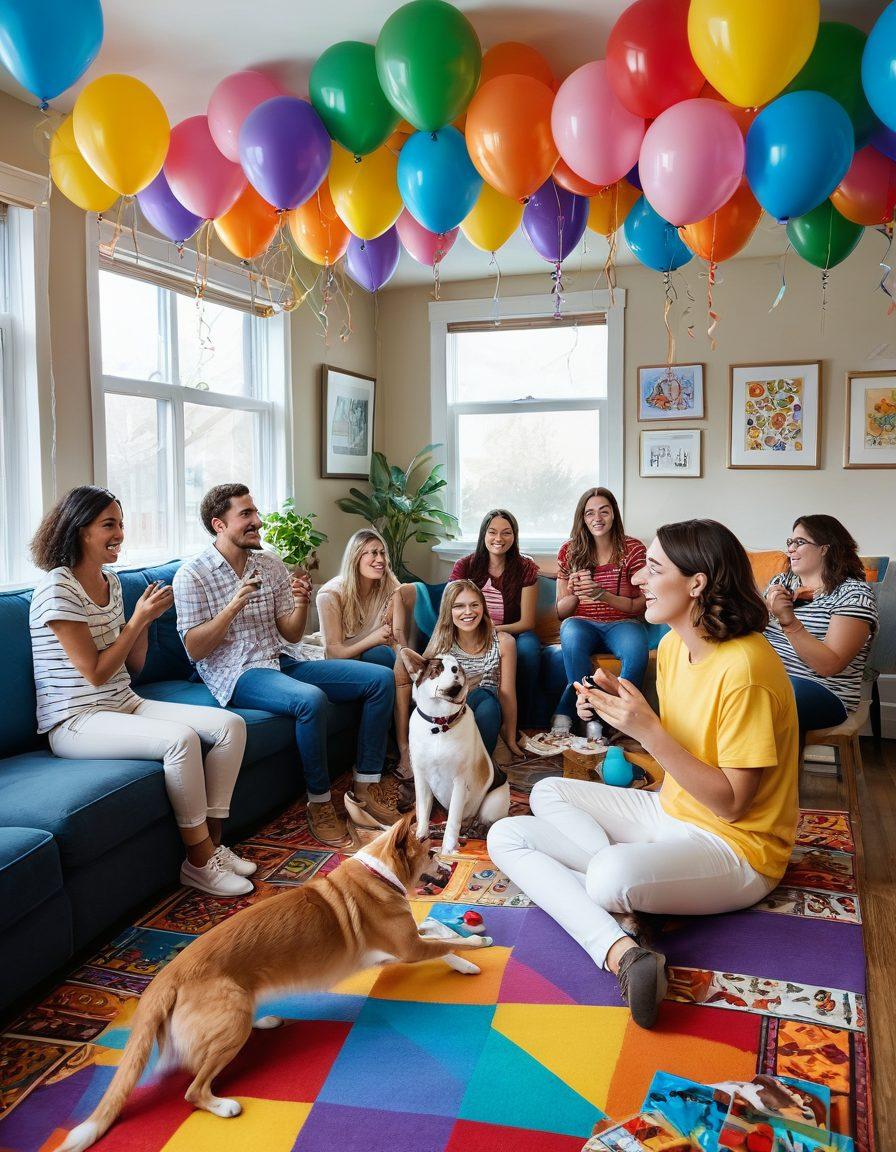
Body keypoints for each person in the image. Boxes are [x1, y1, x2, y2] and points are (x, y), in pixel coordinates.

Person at [488, 520, 799, 1029]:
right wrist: (615, 708)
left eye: (652, 569)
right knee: (520, 819)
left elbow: (732, 804)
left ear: (696, 583)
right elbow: (683, 742)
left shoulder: (746, 671)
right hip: (671, 810)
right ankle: (628, 911)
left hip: (739, 846)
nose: (636, 580)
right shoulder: (676, 645)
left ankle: (618, 945)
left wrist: (647, 730)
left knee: (608, 875)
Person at [29, 486, 253, 898]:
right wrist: (138, 619)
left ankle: (213, 845)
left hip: (123, 702)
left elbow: (133, 667)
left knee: (230, 726)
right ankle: (198, 863)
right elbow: (96, 673)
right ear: (80, 530)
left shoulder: (110, 582)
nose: (120, 534)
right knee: (181, 741)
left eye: (121, 523)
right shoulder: (57, 589)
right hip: (75, 720)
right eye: (108, 525)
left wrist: (145, 622)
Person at [172, 484, 398, 849]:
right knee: (310, 700)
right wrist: (233, 606)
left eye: (255, 512)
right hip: (238, 671)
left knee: (381, 679)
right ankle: (319, 803)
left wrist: (300, 602)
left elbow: (290, 634)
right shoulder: (192, 575)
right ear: (219, 524)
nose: (257, 521)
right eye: (246, 514)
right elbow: (195, 650)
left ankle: (365, 786)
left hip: (284, 658)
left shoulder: (269, 563)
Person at [764, 516, 879, 737]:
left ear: (825, 548)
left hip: (824, 691)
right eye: (790, 542)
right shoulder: (780, 583)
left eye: (799, 542)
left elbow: (829, 665)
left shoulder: (853, 594)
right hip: (770, 678)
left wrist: (789, 621)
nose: (790, 549)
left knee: (761, 703)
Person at [397, 579, 526, 761]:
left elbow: (507, 694)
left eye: (474, 605)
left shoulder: (504, 642)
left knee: (486, 700)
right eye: (459, 606)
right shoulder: (441, 646)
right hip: (449, 718)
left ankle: (479, 764)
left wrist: (511, 738)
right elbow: (424, 695)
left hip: (486, 714)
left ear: (483, 607)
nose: (468, 612)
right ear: (449, 611)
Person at [554, 487, 649, 724]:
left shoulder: (634, 549)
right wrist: (575, 594)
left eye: (604, 511)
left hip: (623, 623)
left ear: (614, 514)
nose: (597, 518)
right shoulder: (569, 551)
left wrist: (602, 595)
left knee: (636, 647)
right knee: (570, 631)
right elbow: (561, 612)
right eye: (590, 513)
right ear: (582, 518)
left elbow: (641, 606)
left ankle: (622, 714)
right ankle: (587, 713)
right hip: (582, 624)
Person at [449, 509, 542, 724]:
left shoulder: (526, 568)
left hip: (514, 631)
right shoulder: (465, 566)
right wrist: (479, 631)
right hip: (471, 632)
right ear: (484, 534)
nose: (499, 538)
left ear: (514, 536)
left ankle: (523, 722)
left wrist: (493, 631)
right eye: (492, 532)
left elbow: (527, 622)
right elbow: (450, 607)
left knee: (528, 648)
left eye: (506, 533)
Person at [316, 529, 407, 668]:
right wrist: (373, 639)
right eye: (373, 553)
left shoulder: (388, 585)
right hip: (342, 663)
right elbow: (333, 654)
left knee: (385, 654)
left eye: (382, 553)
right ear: (356, 557)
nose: (380, 560)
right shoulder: (329, 595)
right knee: (382, 655)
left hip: (377, 653)